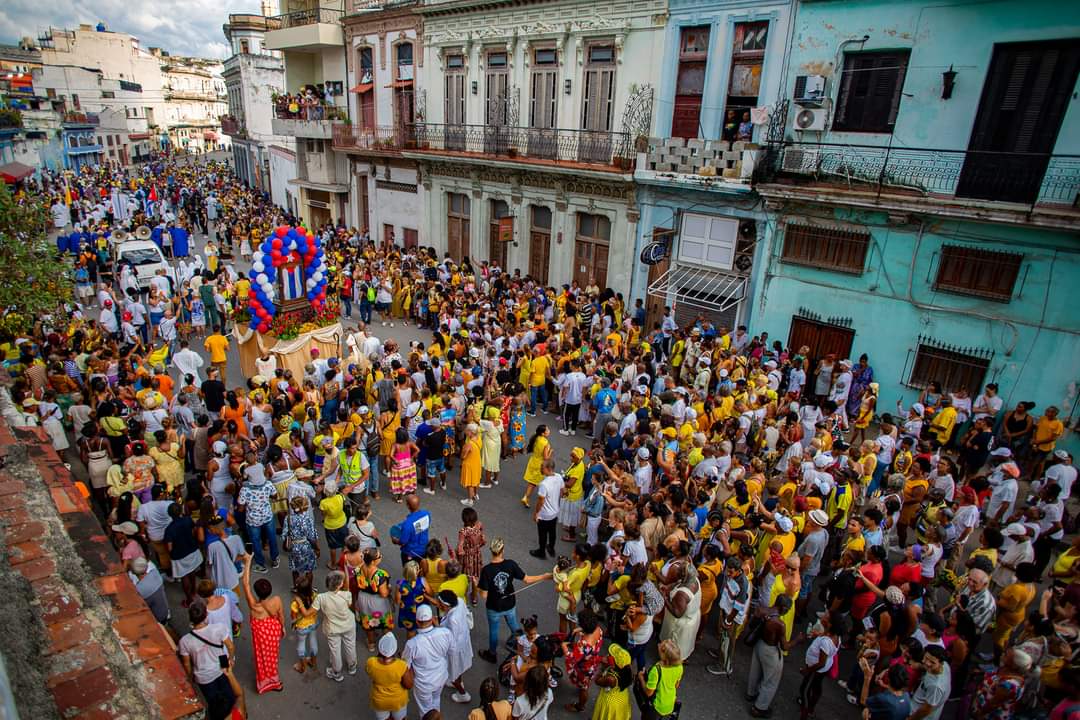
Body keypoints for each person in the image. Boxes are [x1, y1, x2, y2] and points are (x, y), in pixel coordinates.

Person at [477, 537, 551, 663]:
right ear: (502, 550)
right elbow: (527, 579)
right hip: (510, 604)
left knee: (494, 631)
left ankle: (492, 653)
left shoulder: (486, 570)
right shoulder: (510, 564)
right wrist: (543, 576)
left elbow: (483, 595)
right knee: (514, 626)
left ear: (491, 551)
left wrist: (476, 585)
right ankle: (523, 646)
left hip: (494, 607)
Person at [179, 602, 237, 720]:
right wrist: (230, 659)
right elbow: (230, 647)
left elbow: (186, 663)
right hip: (222, 666)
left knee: (214, 703)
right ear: (206, 615)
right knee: (230, 695)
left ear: (190, 618)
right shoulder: (219, 628)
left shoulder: (184, 641)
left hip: (203, 675)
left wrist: (190, 678)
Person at [239, 554, 284, 693]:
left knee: (262, 656)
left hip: (261, 635)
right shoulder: (276, 600)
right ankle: (275, 681)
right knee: (273, 655)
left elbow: (245, 583)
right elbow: (281, 616)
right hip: (274, 631)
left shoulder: (254, 606)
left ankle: (265, 682)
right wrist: (282, 628)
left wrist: (248, 561)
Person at [303, 570, 357, 681]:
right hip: (348, 625)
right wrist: (346, 569)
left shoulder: (321, 598)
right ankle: (352, 666)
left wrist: (299, 602)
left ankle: (336, 672)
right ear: (340, 584)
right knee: (350, 645)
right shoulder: (347, 594)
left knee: (335, 650)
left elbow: (308, 613)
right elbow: (350, 601)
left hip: (332, 628)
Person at [403, 604, 454, 718]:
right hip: (441, 677)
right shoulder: (445, 633)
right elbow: (452, 650)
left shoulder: (412, 644)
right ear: (432, 619)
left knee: (425, 710)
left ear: (417, 621)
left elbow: (405, 664)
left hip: (423, 684)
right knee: (436, 700)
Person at [746, 594, 792, 717]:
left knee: (755, 670)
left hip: (759, 644)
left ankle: (751, 693)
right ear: (782, 608)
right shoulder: (780, 624)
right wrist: (798, 640)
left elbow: (751, 625)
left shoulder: (761, 610)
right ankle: (759, 708)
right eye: (787, 609)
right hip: (770, 650)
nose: (786, 612)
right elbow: (784, 646)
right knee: (771, 680)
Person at [798, 610, 845, 720]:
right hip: (823, 669)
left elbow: (821, 663)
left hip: (815, 669)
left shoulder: (826, 642)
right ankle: (811, 709)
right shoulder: (835, 636)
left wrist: (807, 670)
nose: (823, 616)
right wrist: (819, 635)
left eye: (826, 616)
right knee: (816, 687)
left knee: (804, 690)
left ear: (829, 624)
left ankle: (805, 712)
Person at [436, 589, 474, 704]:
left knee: (453, 673)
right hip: (464, 641)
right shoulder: (459, 601)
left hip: (455, 649)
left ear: (447, 605)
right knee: (458, 669)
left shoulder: (453, 620)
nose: (439, 606)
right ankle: (459, 680)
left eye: (440, 604)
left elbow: (450, 637)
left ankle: (462, 694)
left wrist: (436, 625)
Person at [366, 632, 413, 720]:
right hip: (398, 700)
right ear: (394, 649)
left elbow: (370, 673)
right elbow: (408, 685)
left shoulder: (371, 662)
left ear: (380, 649)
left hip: (379, 701)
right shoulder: (401, 665)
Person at [637, 638, 683, 720]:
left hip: (657, 706)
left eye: (661, 644)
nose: (658, 644)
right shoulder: (680, 667)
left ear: (664, 655)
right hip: (670, 703)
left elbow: (649, 693)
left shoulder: (656, 670)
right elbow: (676, 685)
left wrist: (641, 678)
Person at [530, 459, 563, 560]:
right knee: (552, 531)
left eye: (542, 467)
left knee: (542, 534)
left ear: (548, 468)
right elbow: (563, 492)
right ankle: (551, 548)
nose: (540, 468)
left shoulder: (544, 484)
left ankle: (541, 552)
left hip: (545, 514)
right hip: (555, 511)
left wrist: (536, 513)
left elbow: (541, 501)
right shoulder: (559, 477)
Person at [395, 493, 432, 566]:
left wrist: (395, 540)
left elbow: (403, 541)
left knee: (410, 574)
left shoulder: (408, 524)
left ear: (408, 506)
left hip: (410, 553)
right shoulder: (426, 514)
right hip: (424, 550)